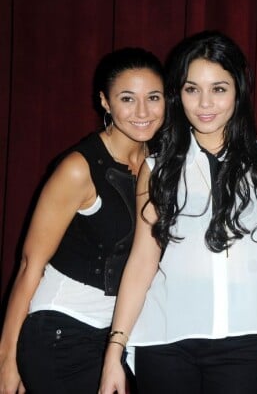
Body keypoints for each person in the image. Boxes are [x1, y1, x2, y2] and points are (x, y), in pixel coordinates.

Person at [98, 30, 257, 394]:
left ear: (238, 91)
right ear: (179, 94)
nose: (205, 103)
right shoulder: (157, 168)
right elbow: (142, 261)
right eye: (192, 89)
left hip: (244, 341)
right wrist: (115, 350)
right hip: (165, 339)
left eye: (218, 89)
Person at [0, 47, 165, 393]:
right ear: (105, 102)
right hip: (62, 331)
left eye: (153, 97)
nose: (143, 112)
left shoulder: (161, 165)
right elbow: (31, 264)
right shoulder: (80, 168)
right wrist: (6, 359)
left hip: (118, 338)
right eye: (127, 98)